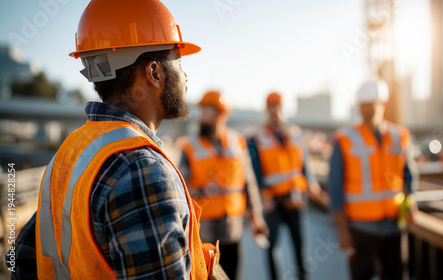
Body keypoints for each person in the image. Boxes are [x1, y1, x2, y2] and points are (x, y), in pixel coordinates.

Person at [5, 0, 219, 279]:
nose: (186, 76)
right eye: (179, 61)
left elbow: (22, 258)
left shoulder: (71, 151)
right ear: (155, 73)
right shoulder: (141, 170)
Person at [328, 80, 418, 280]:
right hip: (360, 228)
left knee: (396, 274)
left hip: (394, 224)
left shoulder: (400, 135)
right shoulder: (344, 139)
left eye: (372, 104)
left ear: (383, 105)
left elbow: (409, 174)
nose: (368, 110)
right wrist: (342, 231)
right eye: (364, 105)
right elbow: (335, 189)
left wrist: (411, 201)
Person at [177, 91, 269, 280]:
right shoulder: (190, 145)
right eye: (200, 111)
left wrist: (256, 218)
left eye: (206, 112)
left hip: (232, 229)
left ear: (221, 114)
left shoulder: (238, 142)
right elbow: (180, 190)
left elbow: (248, 183)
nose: (201, 117)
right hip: (203, 232)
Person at [247, 92, 329, 280]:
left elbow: (304, 167)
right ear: (266, 109)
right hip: (272, 202)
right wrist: (261, 200)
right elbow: (254, 173)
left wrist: (312, 189)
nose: (275, 110)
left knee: (300, 247)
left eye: (278, 106)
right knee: (271, 247)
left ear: (283, 108)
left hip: (294, 200)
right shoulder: (257, 137)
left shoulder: (296, 134)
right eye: (271, 106)